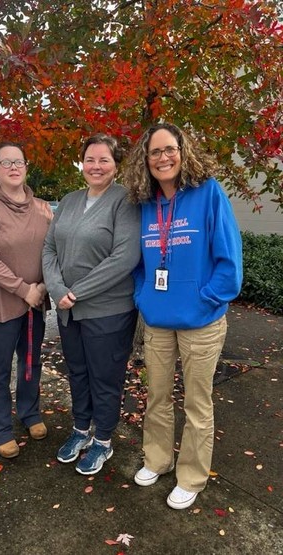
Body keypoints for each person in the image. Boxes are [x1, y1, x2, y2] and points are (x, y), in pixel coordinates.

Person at [124, 122, 243, 509]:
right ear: (146, 160)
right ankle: (157, 460)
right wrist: (144, 295)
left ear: (182, 150)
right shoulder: (145, 202)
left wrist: (207, 298)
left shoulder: (207, 192)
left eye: (169, 149)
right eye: (154, 152)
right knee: (156, 397)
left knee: (196, 403)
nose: (163, 157)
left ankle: (191, 476)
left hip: (202, 321)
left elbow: (230, 260)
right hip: (158, 320)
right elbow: (140, 262)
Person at [42, 133, 141, 475]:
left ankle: (103, 440)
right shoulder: (69, 200)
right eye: (90, 159)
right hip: (69, 311)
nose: (96, 166)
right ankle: (81, 430)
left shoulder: (125, 201)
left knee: (105, 377)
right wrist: (57, 289)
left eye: (104, 160)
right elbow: (49, 249)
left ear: (116, 165)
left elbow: (124, 258)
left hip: (108, 312)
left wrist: (77, 292)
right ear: (81, 163)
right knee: (78, 373)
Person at [0, 142, 53, 459]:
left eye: (18, 161)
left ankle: (29, 412)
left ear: (26, 167)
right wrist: (24, 289)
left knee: (31, 362)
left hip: (36, 303)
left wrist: (44, 286)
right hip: (2, 305)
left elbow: (52, 250)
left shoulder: (43, 208)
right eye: (6, 163)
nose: (14, 167)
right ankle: (0, 428)